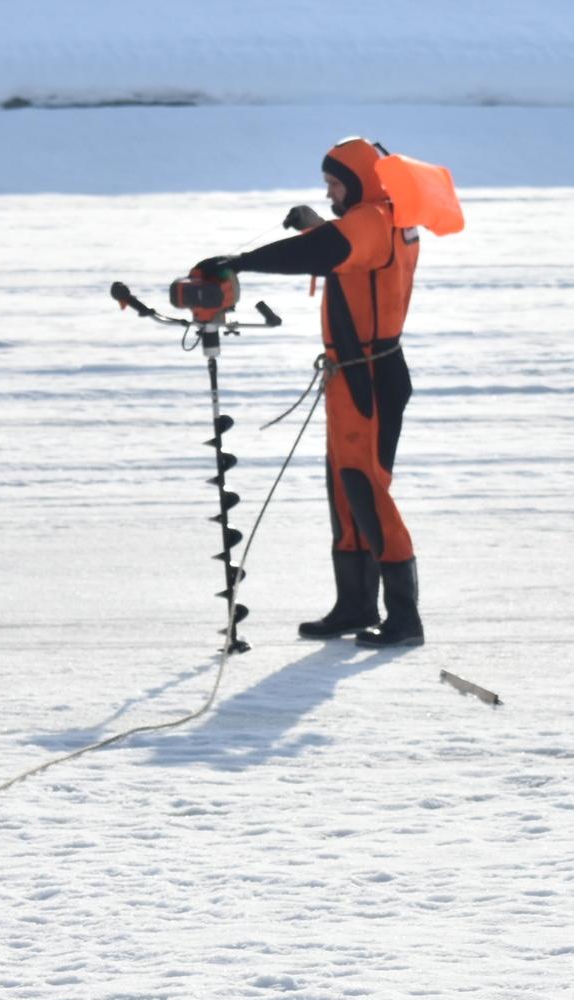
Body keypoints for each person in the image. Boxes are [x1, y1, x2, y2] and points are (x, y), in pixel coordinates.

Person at [199, 136, 426, 647]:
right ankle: (355, 605)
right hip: (356, 372)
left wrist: (240, 261)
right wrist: (316, 225)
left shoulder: (370, 220)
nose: (329, 194)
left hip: (369, 375)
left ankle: (404, 617)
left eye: (334, 184)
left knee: (366, 488)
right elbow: (344, 246)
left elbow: (330, 251)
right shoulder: (385, 214)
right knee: (344, 489)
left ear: (361, 181)